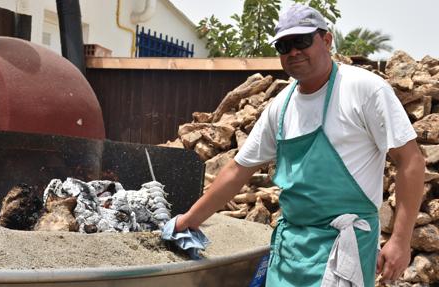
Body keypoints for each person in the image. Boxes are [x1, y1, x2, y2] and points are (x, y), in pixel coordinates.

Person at [175, 3, 425, 286]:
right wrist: (188, 221)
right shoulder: (280, 107)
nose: (293, 51)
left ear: (327, 40)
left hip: (344, 248)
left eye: (302, 41)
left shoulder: (364, 90)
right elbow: (237, 170)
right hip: (291, 249)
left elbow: (411, 161)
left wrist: (401, 241)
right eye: (284, 45)